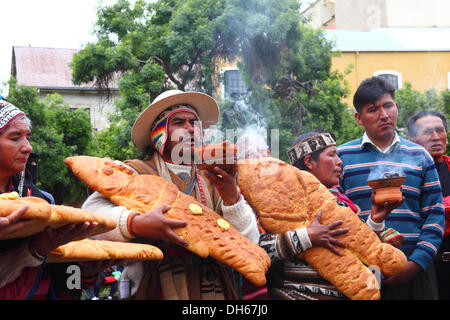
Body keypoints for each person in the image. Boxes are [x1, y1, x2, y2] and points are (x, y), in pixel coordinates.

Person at [82, 89, 259, 300]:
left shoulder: (214, 179)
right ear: (159, 131)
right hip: (153, 287)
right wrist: (134, 223)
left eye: (194, 123)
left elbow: (249, 243)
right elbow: (90, 214)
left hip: (215, 288)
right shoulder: (134, 172)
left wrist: (232, 198)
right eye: (179, 122)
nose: (190, 129)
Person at [258, 128, 402, 300]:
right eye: (332, 155)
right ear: (309, 161)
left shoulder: (341, 204)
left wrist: (375, 221)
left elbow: (360, 254)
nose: (339, 162)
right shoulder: (278, 204)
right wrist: (307, 237)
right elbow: (259, 250)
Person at [338, 77, 445, 300]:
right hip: (360, 272)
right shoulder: (342, 158)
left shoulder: (419, 155)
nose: (384, 115)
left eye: (388, 106)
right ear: (359, 118)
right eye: (373, 109)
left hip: (416, 272)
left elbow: (435, 215)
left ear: (396, 107)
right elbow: (337, 214)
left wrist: (415, 263)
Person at [0, 98, 99, 299]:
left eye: (27, 137)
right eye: (15, 137)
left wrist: (87, 272)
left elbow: (65, 273)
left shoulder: (43, 202)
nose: (28, 147)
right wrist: (35, 250)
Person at [407, 109, 450, 299]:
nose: (436, 137)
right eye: (427, 132)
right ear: (413, 140)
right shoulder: (406, 176)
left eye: (440, 130)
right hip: (422, 267)